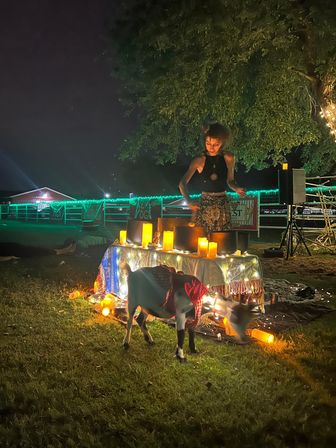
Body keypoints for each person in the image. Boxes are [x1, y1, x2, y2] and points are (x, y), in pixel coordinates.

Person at [179, 122, 246, 234]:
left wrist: (236, 188)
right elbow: (182, 184)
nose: (211, 147)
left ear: (222, 143)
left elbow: (230, 180)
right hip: (205, 204)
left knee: (221, 239)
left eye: (216, 144)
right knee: (203, 239)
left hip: (222, 204)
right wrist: (189, 200)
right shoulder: (199, 160)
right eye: (208, 143)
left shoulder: (229, 157)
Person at [0, 240, 76, 261]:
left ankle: (63, 250)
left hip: (13, 247)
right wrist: (11, 257)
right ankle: (63, 251)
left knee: (37, 249)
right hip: (15, 251)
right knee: (37, 251)